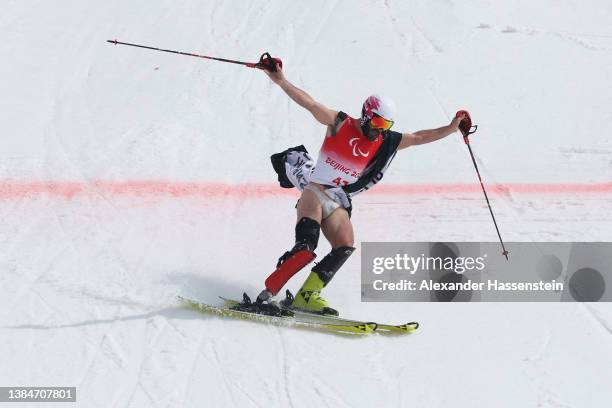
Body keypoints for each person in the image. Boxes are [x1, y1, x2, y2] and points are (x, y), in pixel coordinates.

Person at [255, 61, 467, 316]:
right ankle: (267, 293)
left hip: (337, 199)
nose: (380, 130)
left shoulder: (384, 140)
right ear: (367, 114)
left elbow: (419, 137)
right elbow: (309, 103)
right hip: (315, 190)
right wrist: (280, 80)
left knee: (345, 244)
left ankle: (307, 295)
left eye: (386, 125)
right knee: (305, 248)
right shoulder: (339, 123)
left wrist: (452, 128)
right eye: (377, 122)